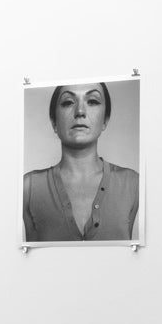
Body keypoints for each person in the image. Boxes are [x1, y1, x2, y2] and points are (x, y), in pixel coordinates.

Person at [23, 82, 140, 242]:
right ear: (54, 122)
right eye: (68, 102)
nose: (80, 112)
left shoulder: (132, 184)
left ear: (105, 120)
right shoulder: (29, 187)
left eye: (92, 101)